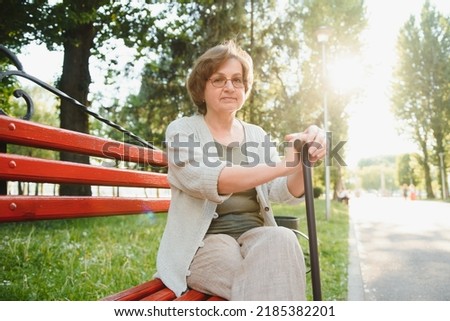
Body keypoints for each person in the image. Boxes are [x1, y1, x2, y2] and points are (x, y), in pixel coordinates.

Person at [156, 40, 326, 301]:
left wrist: (304, 160)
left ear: (245, 89)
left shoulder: (256, 135)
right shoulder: (182, 130)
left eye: (237, 80)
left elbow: (282, 191)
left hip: (256, 234)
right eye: (219, 80)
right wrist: (281, 165)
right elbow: (210, 179)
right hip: (206, 242)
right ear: (201, 88)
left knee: (282, 238)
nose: (229, 87)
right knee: (269, 278)